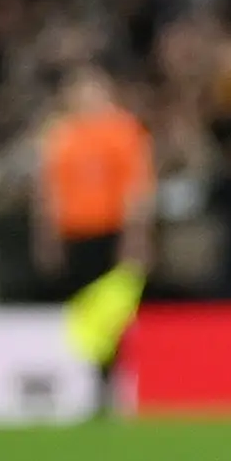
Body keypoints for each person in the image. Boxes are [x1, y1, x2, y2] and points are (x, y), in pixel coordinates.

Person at [40, 65, 156, 383]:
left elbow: (137, 188)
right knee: (84, 308)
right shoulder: (61, 135)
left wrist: (136, 235)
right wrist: (48, 236)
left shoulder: (123, 131)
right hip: (75, 233)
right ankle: (93, 376)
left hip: (112, 232)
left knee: (114, 309)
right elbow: (50, 191)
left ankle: (115, 376)